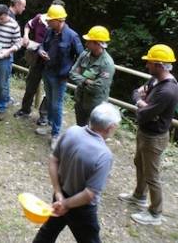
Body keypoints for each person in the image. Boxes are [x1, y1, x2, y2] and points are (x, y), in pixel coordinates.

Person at [32, 102, 121, 243]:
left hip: (60, 196)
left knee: (48, 231)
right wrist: (65, 204)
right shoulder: (104, 155)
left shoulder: (72, 131)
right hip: (81, 207)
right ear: (110, 127)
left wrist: (58, 193)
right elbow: (89, 194)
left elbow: (53, 160)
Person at [118, 44, 178, 225]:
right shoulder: (155, 80)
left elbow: (143, 113)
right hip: (145, 131)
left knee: (152, 175)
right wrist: (141, 101)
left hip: (155, 137)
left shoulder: (167, 90)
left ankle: (155, 213)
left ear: (159, 65)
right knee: (139, 163)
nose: (146, 66)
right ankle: (139, 196)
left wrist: (142, 104)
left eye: (149, 63)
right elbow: (136, 93)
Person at [35, 4, 83, 149]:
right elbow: (42, 45)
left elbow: (81, 56)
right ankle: (50, 125)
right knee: (49, 101)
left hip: (60, 76)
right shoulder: (50, 31)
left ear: (59, 20)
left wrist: (71, 72)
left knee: (57, 105)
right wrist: (41, 51)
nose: (48, 22)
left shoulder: (72, 36)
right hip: (47, 71)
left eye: (50, 20)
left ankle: (56, 134)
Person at [14, 0, 66, 122]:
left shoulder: (61, 27)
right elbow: (28, 25)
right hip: (37, 58)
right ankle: (25, 109)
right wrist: (26, 35)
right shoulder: (40, 18)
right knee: (31, 84)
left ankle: (44, 115)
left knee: (49, 89)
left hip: (51, 62)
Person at [69, 26, 115, 126]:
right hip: (80, 100)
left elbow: (97, 88)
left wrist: (80, 78)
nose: (86, 43)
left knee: (92, 132)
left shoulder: (107, 64)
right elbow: (72, 73)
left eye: (89, 41)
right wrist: (86, 81)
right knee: (80, 128)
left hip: (95, 106)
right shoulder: (84, 55)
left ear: (97, 44)